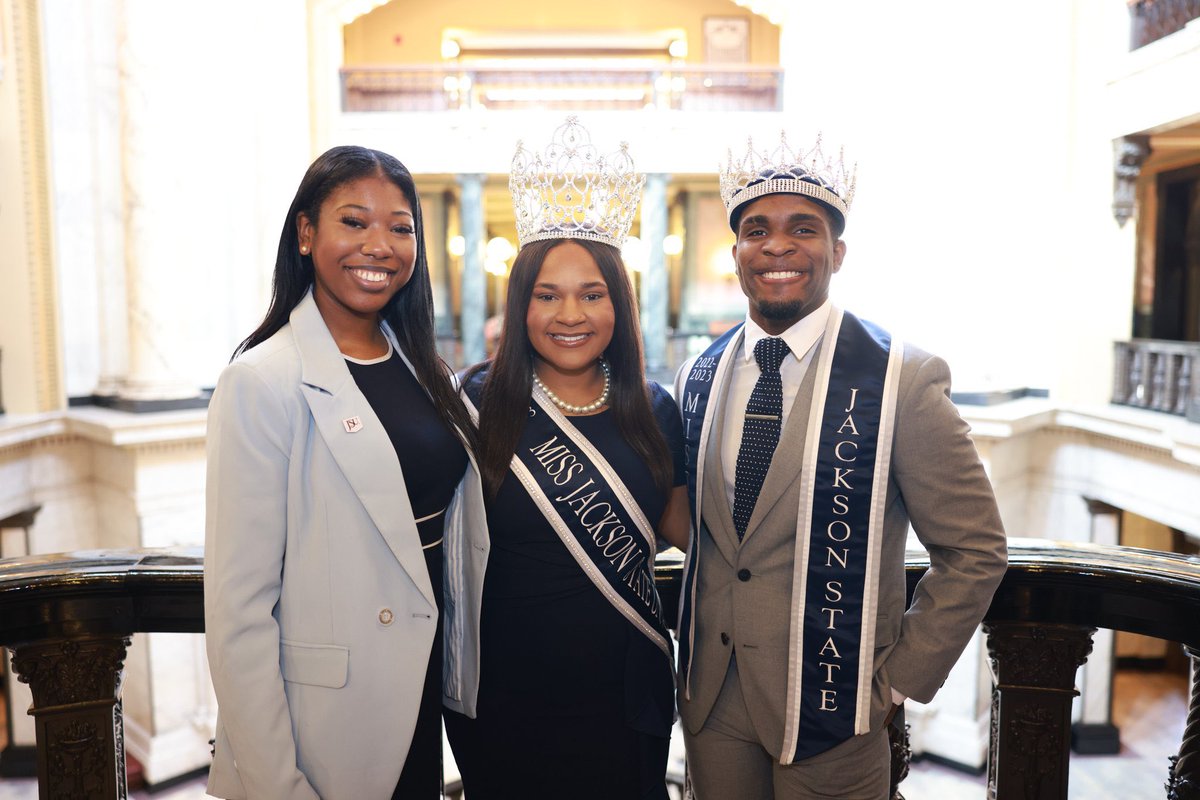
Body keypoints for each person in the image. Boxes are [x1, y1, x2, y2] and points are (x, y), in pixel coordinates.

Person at [674, 132, 1008, 799]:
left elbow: (975, 550)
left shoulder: (901, 380)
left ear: (838, 252)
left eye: (803, 228)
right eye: (756, 230)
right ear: (736, 252)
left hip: (835, 707)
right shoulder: (697, 374)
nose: (777, 246)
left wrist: (896, 683)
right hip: (712, 704)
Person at [204, 145, 488, 800]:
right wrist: (279, 785)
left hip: (419, 688)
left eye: (400, 227)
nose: (379, 246)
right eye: (354, 222)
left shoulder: (426, 369)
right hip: (329, 722)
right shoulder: (262, 381)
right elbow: (238, 614)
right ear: (306, 234)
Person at [445, 117, 690, 800]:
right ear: (519, 305)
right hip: (505, 699)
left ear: (619, 301)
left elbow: (692, 531)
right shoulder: (474, 404)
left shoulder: (655, 408)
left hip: (628, 695)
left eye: (592, 294)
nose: (570, 314)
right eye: (547, 295)